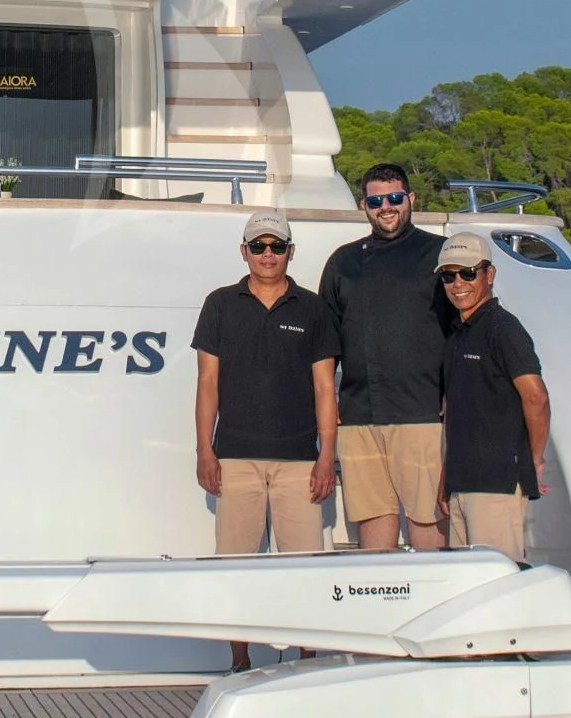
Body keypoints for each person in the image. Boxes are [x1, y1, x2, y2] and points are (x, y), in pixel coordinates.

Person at [191, 211, 341, 669]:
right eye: (259, 247)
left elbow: (324, 388)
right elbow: (207, 384)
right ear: (244, 251)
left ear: (290, 252)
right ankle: (240, 661)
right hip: (234, 458)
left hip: (299, 460)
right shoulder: (220, 304)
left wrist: (326, 457)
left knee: (305, 569)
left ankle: (308, 658)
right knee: (235, 567)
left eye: (277, 246)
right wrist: (204, 450)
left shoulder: (314, 309)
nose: (268, 255)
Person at [318, 163, 451, 553]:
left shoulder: (438, 254)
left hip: (422, 414)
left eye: (395, 198)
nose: (386, 207)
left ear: (410, 200)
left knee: (427, 518)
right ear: (365, 205)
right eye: (377, 200)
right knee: (372, 521)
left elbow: (461, 330)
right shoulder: (343, 261)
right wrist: (328, 406)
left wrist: (452, 397)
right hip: (359, 415)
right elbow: (327, 344)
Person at [435, 231, 551, 561]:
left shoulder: (504, 328)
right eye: (449, 275)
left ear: (490, 274)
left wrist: (535, 459)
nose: (458, 284)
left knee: (498, 586)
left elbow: (536, 398)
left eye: (468, 273)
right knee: (467, 589)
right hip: (462, 485)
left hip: (495, 485)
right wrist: (448, 482)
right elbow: (457, 414)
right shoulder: (458, 336)